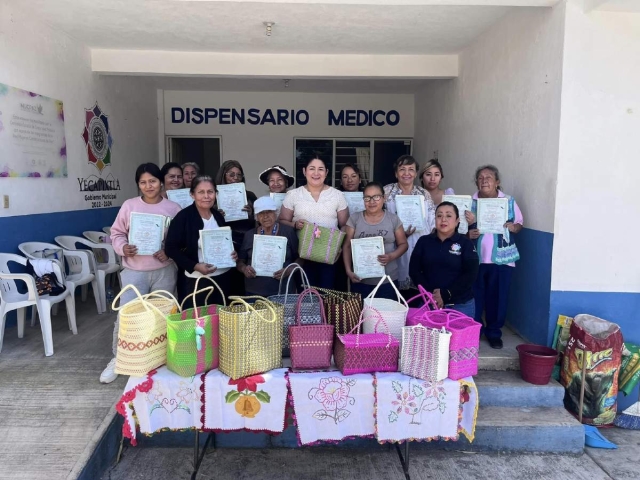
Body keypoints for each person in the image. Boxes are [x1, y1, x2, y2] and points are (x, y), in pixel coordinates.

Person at [101, 163, 182, 384]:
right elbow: (116, 233)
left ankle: (158, 359)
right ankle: (119, 360)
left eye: (153, 181)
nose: (148, 186)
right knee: (127, 317)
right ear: (138, 184)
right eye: (143, 182)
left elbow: (179, 241)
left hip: (163, 272)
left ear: (161, 182)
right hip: (134, 272)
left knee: (162, 317)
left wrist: (169, 253)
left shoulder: (173, 209)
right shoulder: (129, 206)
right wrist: (122, 247)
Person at [466, 165, 523, 349]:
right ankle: (474, 332)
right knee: (474, 297)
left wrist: (514, 227)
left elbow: (519, 223)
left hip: (502, 259)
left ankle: (494, 333)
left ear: (497, 182)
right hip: (476, 259)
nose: (484, 181)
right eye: (480, 178)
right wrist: (468, 233)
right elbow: (458, 226)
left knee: (498, 298)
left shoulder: (508, 201)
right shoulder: (469, 202)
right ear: (476, 182)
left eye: (489, 177)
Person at [165, 175, 237, 308]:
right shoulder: (183, 217)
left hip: (223, 277)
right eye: (201, 192)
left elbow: (227, 242)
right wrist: (195, 266)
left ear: (216, 194)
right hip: (197, 280)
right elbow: (170, 248)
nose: (206, 196)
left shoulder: (218, 216)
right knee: (199, 323)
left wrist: (233, 254)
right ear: (192, 194)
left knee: (221, 320)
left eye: (210, 192)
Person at [280, 156, 348, 289]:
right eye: (312, 169)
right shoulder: (293, 195)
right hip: (302, 256)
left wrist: (339, 246)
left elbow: (344, 224)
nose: (316, 173)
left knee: (327, 293)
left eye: (320, 169)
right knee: (305, 296)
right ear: (304, 171)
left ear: (326, 172)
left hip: (329, 254)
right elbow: (282, 221)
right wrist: (295, 224)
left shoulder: (337, 195)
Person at [409, 202, 478, 318]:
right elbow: (414, 270)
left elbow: (471, 274)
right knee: (429, 336)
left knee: (458, 336)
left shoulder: (466, 243)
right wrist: (431, 295)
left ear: (457, 221)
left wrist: (446, 294)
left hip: (460, 306)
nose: (443, 219)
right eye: (439, 216)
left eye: (449, 216)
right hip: (429, 302)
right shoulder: (424, 242)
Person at [343, 182, 408, 299]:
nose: (372, 201)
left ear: (384, 198)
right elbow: (347, 246)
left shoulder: (393, 219)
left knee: (385, 316)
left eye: (376, 197)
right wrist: (348, 271)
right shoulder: (355, 219)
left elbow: (403, 244)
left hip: (387, 281)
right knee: (362, 316)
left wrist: (391, 256)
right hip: (361, 280)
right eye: (367, 198)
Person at [383, 155, 436, 292]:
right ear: (396, 173)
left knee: (417, 289)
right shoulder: (386, 192)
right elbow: (379, 218)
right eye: (402, 169)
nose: (406, 173)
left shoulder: (424, 194)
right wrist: (399, 234)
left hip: (419, 244)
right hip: (394, 246)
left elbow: (432, 221)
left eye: (411, 169)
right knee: (395, 289)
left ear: (416, 173)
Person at [237, 196, 301, 296]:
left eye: (269, 212)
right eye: (261, 213)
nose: (265, 216)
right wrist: (244, 269)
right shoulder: (249, 235)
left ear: (276, 213)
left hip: (282, 292)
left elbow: (300, 259)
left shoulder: (288, 232)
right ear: (256, 217)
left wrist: (289, 270)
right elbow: (240, 261)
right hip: (254, 292)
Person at [215, 160, 257, 295]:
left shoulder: (249, 195)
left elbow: (260, 222)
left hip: (245, 244)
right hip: (225, 245)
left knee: (243, 283)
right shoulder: (214, 196)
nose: (235, 178)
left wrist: (252, 214)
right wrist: (217, 215)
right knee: (226, 283)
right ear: (223, 175)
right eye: (231, 174)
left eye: (239, 175)